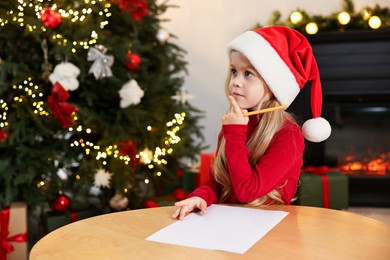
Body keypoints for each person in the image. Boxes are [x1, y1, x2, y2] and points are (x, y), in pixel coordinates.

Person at [172, 26, 331, 220]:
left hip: (269, 230)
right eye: (233, 71)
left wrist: (234, 133)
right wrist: (200, 196)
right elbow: (219, 182)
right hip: (229, 222)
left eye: (248, 74)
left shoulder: (287, 134)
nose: (236, 82)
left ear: (273, 85)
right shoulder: (235, 124)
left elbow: (247, 192)